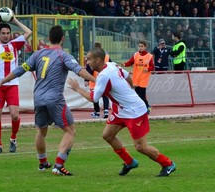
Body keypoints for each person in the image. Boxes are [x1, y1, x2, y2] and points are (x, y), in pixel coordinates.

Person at [0, 25, 95, 175]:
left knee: (41, 130)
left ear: (48, 39)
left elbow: (20, 70)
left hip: (38, 98)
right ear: (63, 39)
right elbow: (80, 70)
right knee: (70, 131)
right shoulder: (63, 55)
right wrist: (96, 80)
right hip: (54, 98)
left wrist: (1, 82)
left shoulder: (38, 54)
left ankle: (42, 163)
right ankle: (58, 165)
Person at [68, 47, 176, 177]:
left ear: (98, 60)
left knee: (140, 147)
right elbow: (126, 75)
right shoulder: (111, 65)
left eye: (89, 59)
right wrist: (129, 90)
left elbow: (94, 98)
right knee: (107, 135)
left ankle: (168, 164)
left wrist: (77, 88)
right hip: (121, 110)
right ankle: (129, 162)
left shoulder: (103, 75)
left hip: (134, 111)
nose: (87, 62)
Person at [0, 9, 32, 153]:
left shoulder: (15, 44)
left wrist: (14, 21)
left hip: (12, 85)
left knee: (15, 115)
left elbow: (28, 32)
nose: (6, 36)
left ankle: (13, 138)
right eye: (3, 33)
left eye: (8, 33)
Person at [121, 40, 154, 113]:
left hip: (143, 79)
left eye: (142, 46)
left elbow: (152, 67)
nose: (140, 48)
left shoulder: (149, 56)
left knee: (141, 95)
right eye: (139, 46)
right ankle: (146, 106)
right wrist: (125, 64)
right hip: (136, 79)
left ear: (145, 47)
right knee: (137, 95)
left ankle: (146, 108)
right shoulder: (136, 55)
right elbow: (130, 62)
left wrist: (148, 69)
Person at [85, 42, 111, 119]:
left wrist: (86, 79)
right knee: (105, 95)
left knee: (95, 96)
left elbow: (88, 69)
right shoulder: (106, 57)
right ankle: (106, 111)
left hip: (94, 80)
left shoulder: (92, 57)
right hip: (104, 79)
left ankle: (97, 112)